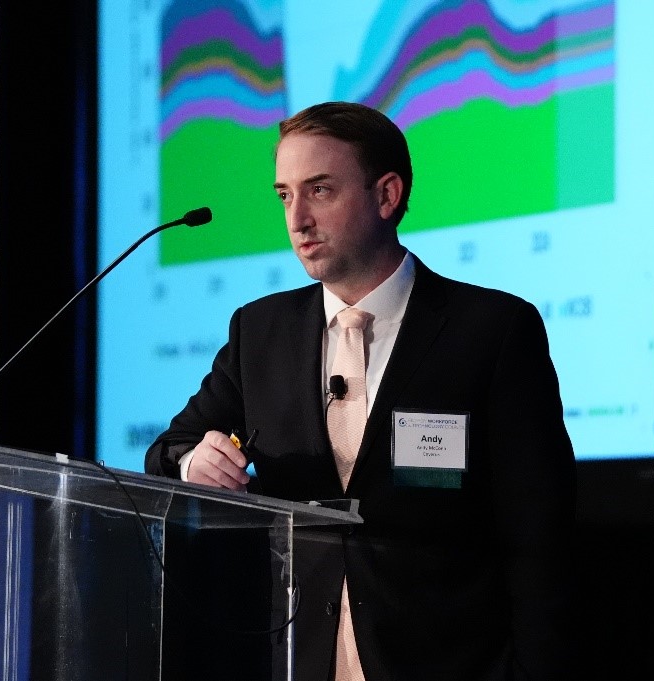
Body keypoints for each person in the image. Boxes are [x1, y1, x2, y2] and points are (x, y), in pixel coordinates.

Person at [145, 101, 576, 680]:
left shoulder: (490, 331)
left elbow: (540, 534)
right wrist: (194, 461)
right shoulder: (261, 332)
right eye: (284, 195)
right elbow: (169, 449)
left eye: (319, 190)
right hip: (297, 661)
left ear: (387, 195)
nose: (297, 220)